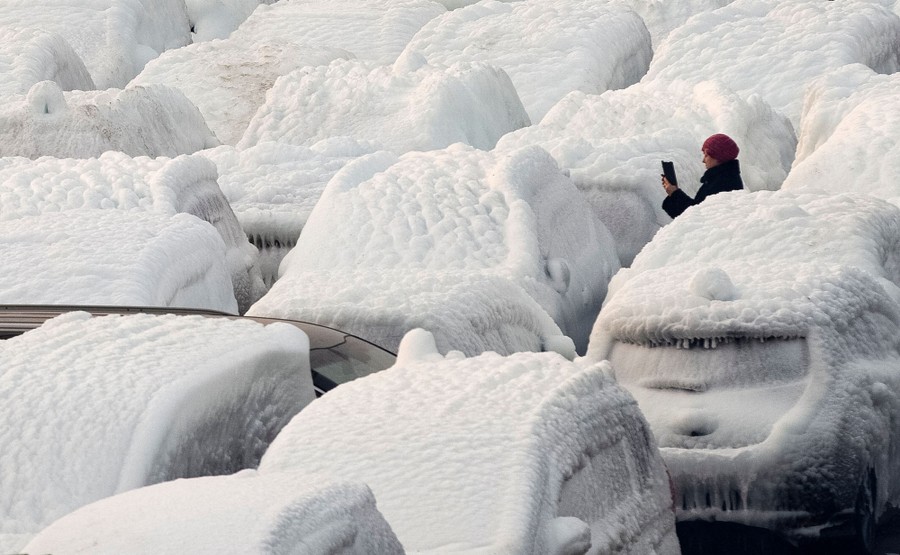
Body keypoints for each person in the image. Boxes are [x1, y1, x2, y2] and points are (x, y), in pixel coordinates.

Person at [662, 133, 744, 219]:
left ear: (718, 157)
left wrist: (674, 194)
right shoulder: (724, 178)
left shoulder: (724, 184)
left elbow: (699, 218)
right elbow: (698, 210)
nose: (703, 160)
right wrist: (674, 193)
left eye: (706, 155)